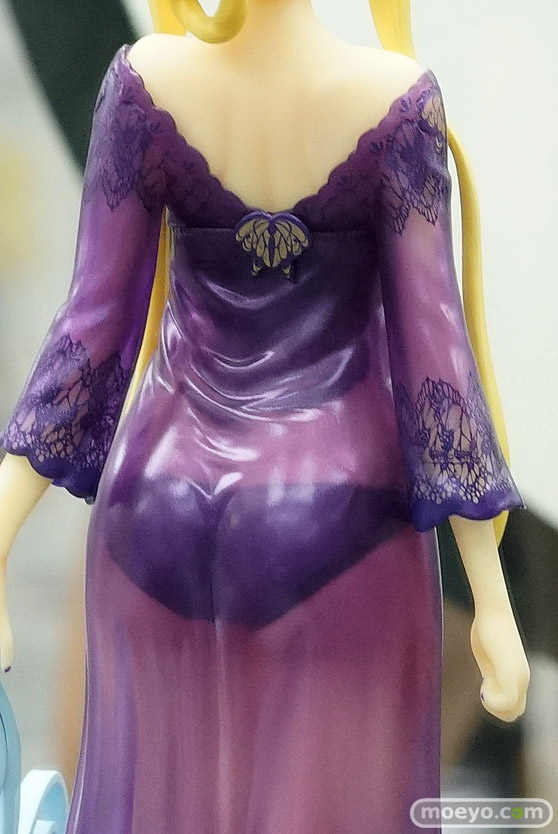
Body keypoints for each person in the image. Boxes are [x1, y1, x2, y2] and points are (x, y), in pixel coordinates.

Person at [0, 1, 529, 832]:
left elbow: (89, 337)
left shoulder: (144, 85)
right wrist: (493, 603)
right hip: (341, 521)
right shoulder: (395, 101)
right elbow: (436, 361)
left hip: (158, 507)